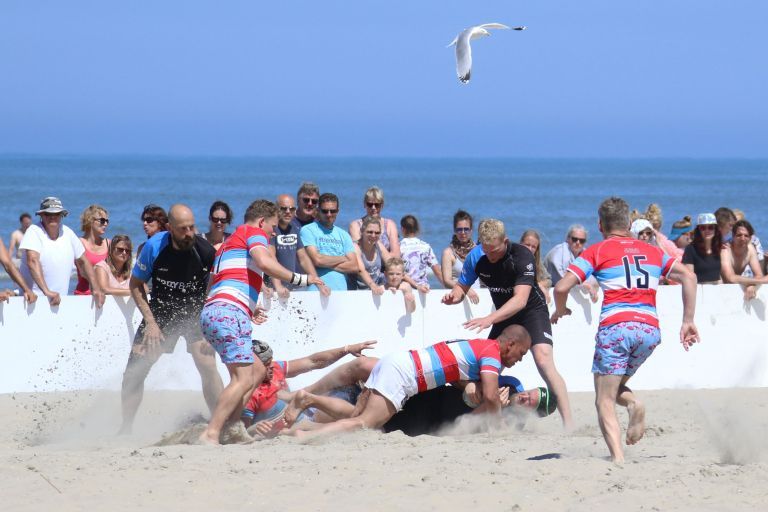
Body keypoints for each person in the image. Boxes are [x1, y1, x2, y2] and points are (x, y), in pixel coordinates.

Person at [551, 196, 699, 464]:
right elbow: (689, 276)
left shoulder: (597, 251)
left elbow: (561, 287)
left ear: (600, 225)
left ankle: (618, 454)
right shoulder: (652, 251)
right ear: (629, 223)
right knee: (613, 385)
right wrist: (688, 319)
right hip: (649, 330)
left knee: (603, 399)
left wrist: (560, 309)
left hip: (616, 328)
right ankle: (632, 405)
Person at [197, 199, 330, 445]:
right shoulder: (253, 232)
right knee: (243, 378)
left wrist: (249, 307)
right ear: (261, 222)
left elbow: (219, 283)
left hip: (223, 311)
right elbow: (264, 262)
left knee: (257, 370)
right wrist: (302, 280)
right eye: (271, 228)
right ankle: (212, 433)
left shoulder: (227, 244)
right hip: (227, 313)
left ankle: (231, 428)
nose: (271, 235)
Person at [290, 324, 532, 440]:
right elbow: (490, 396)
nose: (518, 360)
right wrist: (499, 424)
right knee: (365, 424)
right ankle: (305, 434)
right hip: (405, 374)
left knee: (355, 416)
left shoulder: (479, 346)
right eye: (520, 354)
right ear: (510, 344)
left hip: (400, 361)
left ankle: (303, 419)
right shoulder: (491, 353)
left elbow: (460, 374)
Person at [442, 218, 574, 428]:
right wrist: (454, 297)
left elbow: (520, 300)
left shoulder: (522, 256)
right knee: (483, 368)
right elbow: (461, 288)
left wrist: (489, 319)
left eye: (495, 250)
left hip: (532, 311)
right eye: (486, 250)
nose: (491, 256)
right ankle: (474, 418)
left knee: (543, 359)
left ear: (505, 241)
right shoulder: (476, 256)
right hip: (504, 315)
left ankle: (569, 424)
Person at [119, 204, 221, 435]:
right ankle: (126, 428)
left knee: (207, 364)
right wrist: (151, 323)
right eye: (183, 229)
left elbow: (218, 283)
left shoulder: (205, 250)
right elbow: (135, 285)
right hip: (161, 311)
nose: (189, 233)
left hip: (195, 311)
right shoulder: (154, 247)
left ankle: (220, 422)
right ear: (170, 228)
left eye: (192, 227)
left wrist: (208, 315)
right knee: (135, 370)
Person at [241, 339, 377, 437]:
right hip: (301, 423)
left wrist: (347, 349)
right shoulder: (248, 394)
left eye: (271, 361)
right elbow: (241, 432)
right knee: (359, 421)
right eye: (265, 364)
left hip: (306, 407)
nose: (271, 366)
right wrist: (255, 429)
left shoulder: (276, 368)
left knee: (361, 364)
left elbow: (313, 361)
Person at [19, 197, 105, 307]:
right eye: (48, 214)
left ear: (62, 215)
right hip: (33, 301)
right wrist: (47, 292)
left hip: (60, 301)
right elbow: (32, 261)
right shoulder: (34, 231)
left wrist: (96, 287)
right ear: (41, 215)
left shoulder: (68, 233)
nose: (52, 217)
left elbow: (83, 262)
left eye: (56, 214)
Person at [300, 192, 358, 291]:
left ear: (337, 211)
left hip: (340, 292)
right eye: (325, 211)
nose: (329, 214)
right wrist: (343, 258)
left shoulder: (344, 235)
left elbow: (354, 266)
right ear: (318, 211)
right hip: (315, 291)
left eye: (333, 211)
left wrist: (324, 263)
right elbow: (317, 259)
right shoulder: (307, 230)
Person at [269, 194, 324, 298]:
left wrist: (319, 284)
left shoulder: (294, 229)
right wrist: (278, 286)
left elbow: (303, 258)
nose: (288, 212)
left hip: (295, 287)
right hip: (275, 290)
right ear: (276, 210)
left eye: (292, 209)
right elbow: (271, 259)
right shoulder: (272, 230)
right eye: (283, 208)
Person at [543, 224, 598, 302]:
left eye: (582, 241)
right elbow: (563, 282)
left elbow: (594, 279)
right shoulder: (558, 253)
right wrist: (586, 285)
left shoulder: (584, 254)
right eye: (574, 239)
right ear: (568, 239)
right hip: (550, 290)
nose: (578, 243)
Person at [720, 220, 768, 301]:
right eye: (739, 235)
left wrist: (752, 284)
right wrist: (760, 281)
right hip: (721, 289)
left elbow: (759, 274)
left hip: (736, 290)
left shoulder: (750, 249)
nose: (743, 238)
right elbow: (730, 278)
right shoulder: (726, 250)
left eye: (746, 236)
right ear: (733, 236)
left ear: (750, 238)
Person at [348, 186, 401, 257]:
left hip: (387, 266)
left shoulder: (389, 225)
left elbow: (396, 255)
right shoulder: (356, 225)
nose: (373, 208)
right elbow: (358, 252)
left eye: (377, 205)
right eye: (370, 205)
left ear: (382, 205)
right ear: (364, 204)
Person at [441, 210, 480, 304]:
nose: (463, 232)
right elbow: (447, 281)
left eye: (466, 229)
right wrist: (466, 288)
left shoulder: (478, 250)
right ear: (455, 230)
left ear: (471, 230)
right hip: (457, 299)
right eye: (459, 229)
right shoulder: (448, 253)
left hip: (478, 298)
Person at [400, 214, 444, 290]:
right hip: (424, 289)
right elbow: (438, 272)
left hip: (405, 289)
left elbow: (399, 272)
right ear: (417, 229)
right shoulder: (426, 247)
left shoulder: (398, 247)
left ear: (402, 229)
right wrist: (449, 288)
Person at [74, 205, 111, 295]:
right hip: (83, 295)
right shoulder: (79, 243)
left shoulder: (109, 244)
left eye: (107, 221)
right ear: (90, 221)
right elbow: (83, 271)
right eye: (102, 221)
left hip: (105, 295)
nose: (105, 224)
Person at [350, 216, 389, 294]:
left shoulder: (378, 245)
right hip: (357, 293)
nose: (373, 235)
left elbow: (392, 263)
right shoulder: (355, 247)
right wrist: (373, 285)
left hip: (376, 289)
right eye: (370, 232)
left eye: (377, 233)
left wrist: (414, 284)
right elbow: (361, 270)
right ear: (361, 231)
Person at [682, 213, 722, 284]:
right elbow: (689, 277)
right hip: (699, 290)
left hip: (717, 291)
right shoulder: (690, 249)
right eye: (703, 228)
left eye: (710, 227)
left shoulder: (720, 248)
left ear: (715, 229)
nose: (707, 231)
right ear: (698, 230)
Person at [0, 236, 37, 303]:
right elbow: (7, 263)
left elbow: (7, 264)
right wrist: (26, 290)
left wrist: (25, 290)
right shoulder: (16, 234)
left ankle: (17, 291)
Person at [519, 229, 552, 304]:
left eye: (533, 247)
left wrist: (539, 285)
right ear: (521, 243)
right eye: (527, 245)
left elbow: (548, 280)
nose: (530, 249)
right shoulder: (513, 259)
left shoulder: (536, 261)